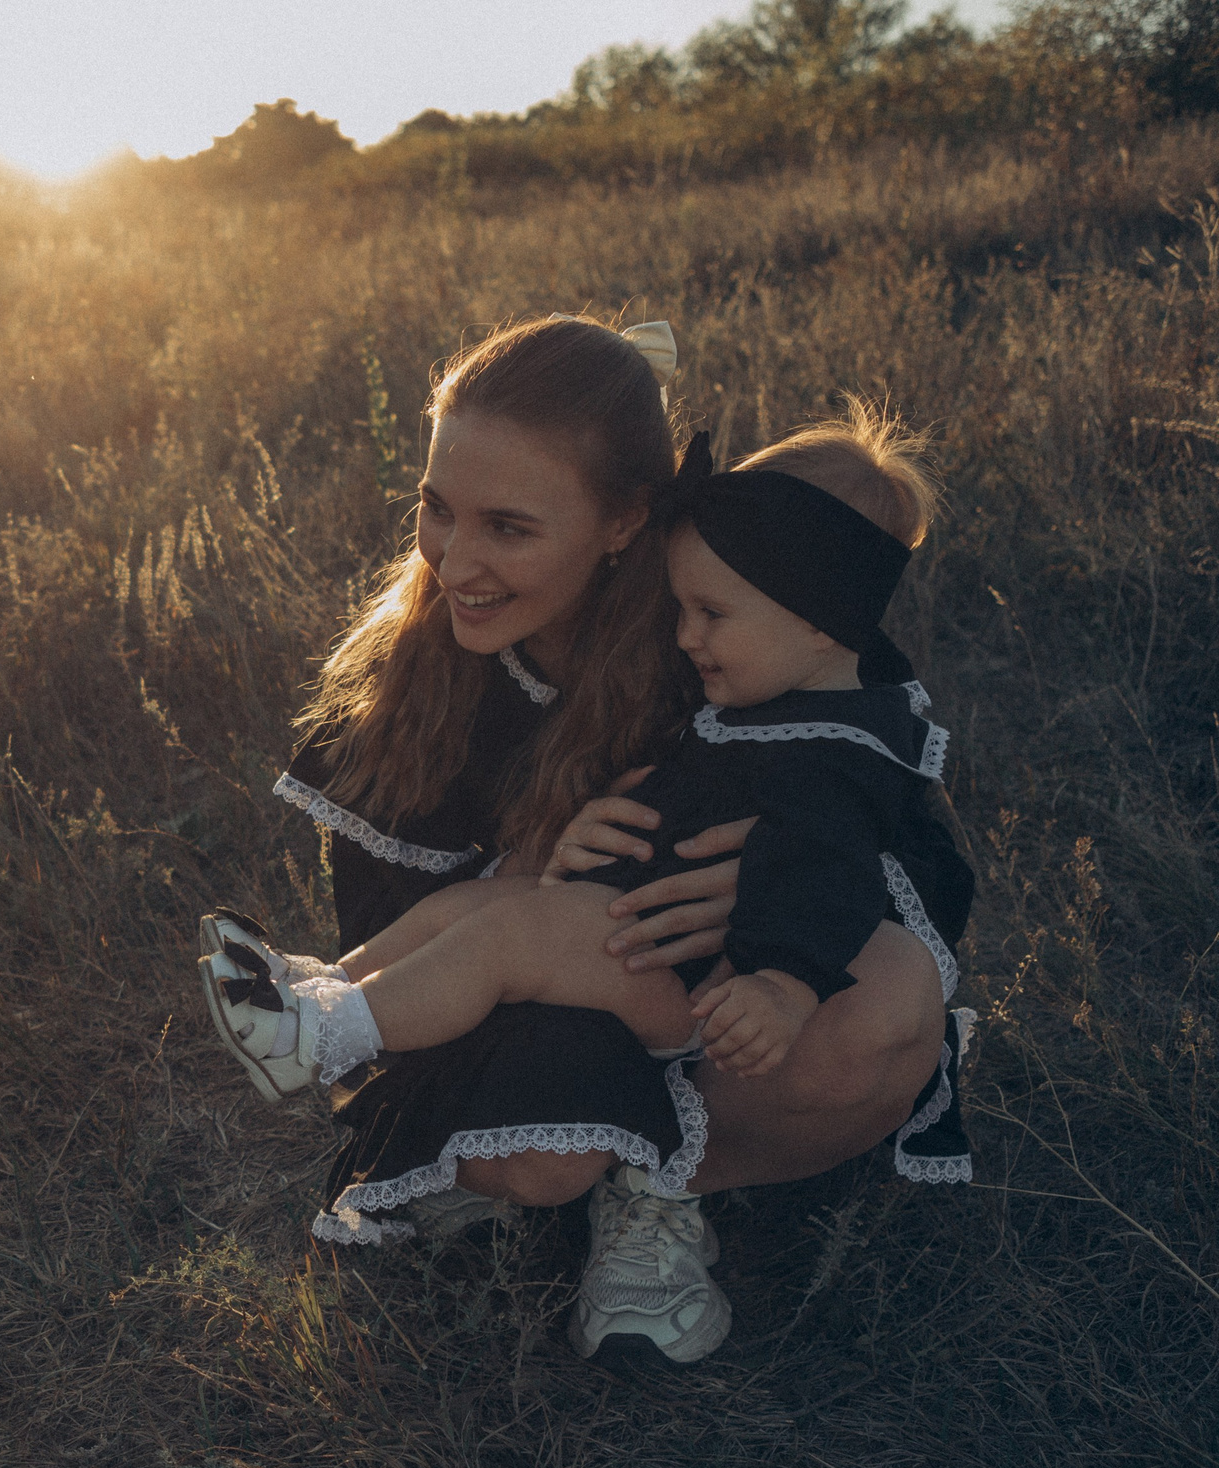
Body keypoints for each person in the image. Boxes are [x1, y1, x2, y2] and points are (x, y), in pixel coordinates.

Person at [221, 317, 973, 1365]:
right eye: (438, 511)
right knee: (544, 1151)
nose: (456, 562)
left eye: (508, 528)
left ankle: (664, 1192)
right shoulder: (416, 693)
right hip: (530, 1027)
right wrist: (536, 868)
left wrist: (762, 876)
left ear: (624, 521)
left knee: (896, 992)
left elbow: (897, 828)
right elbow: (404, 937)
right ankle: (504, 1152)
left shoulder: (709, 631)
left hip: (709, 1008)